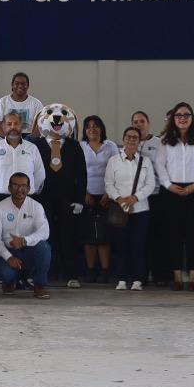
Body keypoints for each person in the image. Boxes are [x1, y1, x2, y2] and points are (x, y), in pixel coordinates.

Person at [150, 102, 194, 292]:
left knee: (193, 235)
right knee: (174, 235)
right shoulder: (165, 140)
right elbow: (159, 165)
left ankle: (192, 278)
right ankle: (177, 277)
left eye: (186, 115)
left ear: (192, 118)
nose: (182, 118)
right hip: (171, 192)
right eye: (179, 115)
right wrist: (168, 185)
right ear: (173, 118)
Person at [102, 123, 156, 290]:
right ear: (123, 140)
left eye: (135, 138)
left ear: (139, 141)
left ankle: (138, 279)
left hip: (140, 210)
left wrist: (135, 198)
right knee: (120, 245)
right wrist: (119, 199)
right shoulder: (113, 161)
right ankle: (121, 279)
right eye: (128, 137)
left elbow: (150, 184)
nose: (131, 140)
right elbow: (108, 183)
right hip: (120, 210)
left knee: (138, 245)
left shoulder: (145, 161)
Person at [35, 114, 87, 286]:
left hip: (68, 198)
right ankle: (44, 273)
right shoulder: (37, 145)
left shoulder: (74, 145)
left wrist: (80, 199)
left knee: (68, 236)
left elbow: (82, 174)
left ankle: (71, 275)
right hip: (43, 199)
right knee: (44, 236)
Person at [0, 171, 53, 298]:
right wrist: (8, 257)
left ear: (29, 189)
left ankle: (39, 286)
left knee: (44, 248)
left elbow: (45, 232)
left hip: (29, 251)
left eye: (23, 186)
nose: (19, 189)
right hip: (8, 252)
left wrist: (24, 241)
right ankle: (10, 282)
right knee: (6, 275)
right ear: (9, 187)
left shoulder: (36, 207)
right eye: (15, 185)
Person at [77, 114, 120, 286]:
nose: (92, 129)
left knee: (103, 236)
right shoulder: (80, 147)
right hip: (87, 196)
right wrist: (84, 193)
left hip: (106, 197)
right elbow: (77, 173)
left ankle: (104, 270)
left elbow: (117, 169)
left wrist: (109, 193)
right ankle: (90, 269)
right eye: (88, 126)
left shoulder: (110, 146)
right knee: (88, 237)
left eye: (96, 126)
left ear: (102, 128)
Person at [0, 72, 43, 138]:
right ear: (12, 85)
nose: (20, 86)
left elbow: (41, 126)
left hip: (29, 137)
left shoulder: (36, 104)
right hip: (6, 136)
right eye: (17, 83)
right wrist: (8, 139)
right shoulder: (1, 102)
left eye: (23, 84)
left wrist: (30, 141)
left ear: (28, 86)